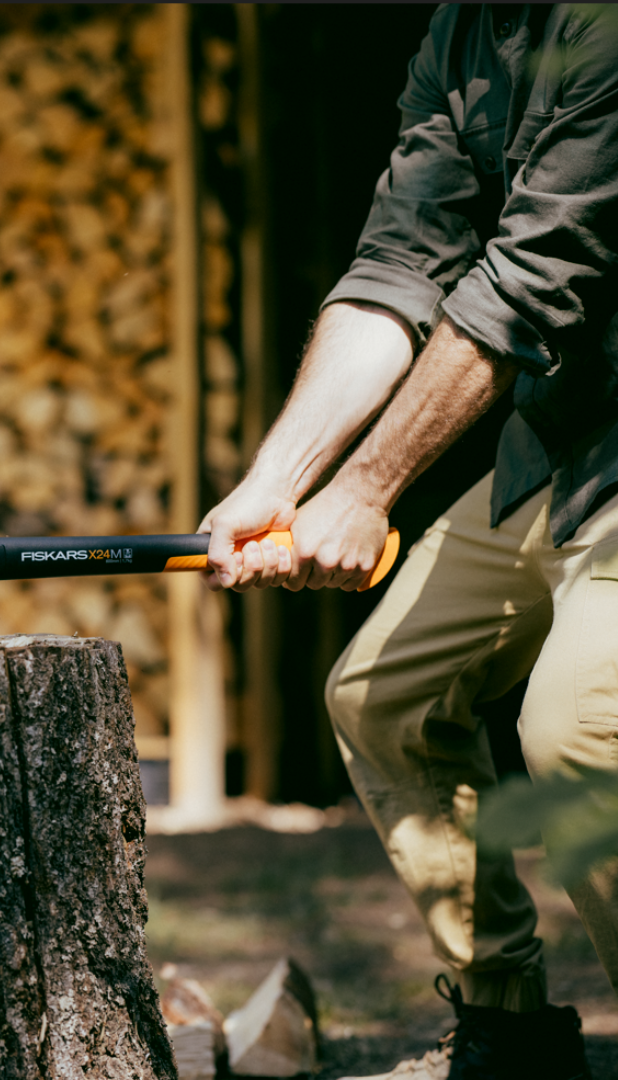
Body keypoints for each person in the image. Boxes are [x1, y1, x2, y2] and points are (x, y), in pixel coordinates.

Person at [200, 6, 618, 1079]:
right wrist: (277, 482)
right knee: (383, 697)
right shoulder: (461, 35)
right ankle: (511, 1030)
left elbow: (531, 281)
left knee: (578, 732)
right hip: (564, 449)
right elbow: (399, 269)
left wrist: (371, 486)